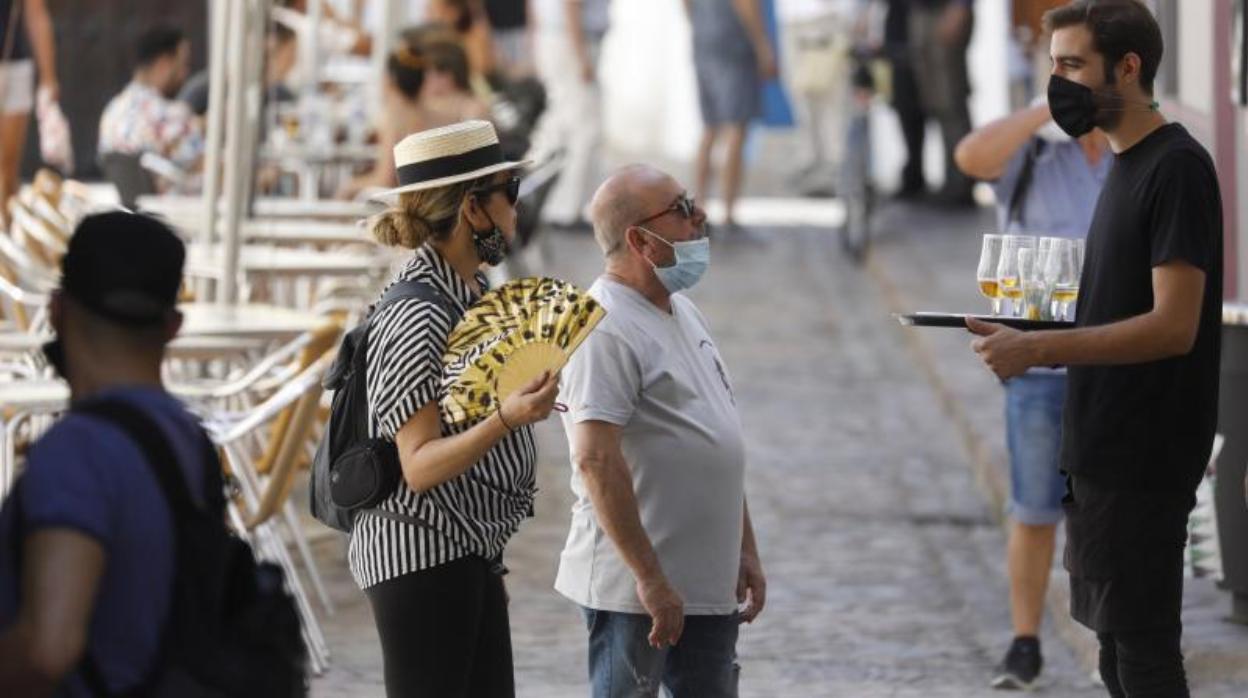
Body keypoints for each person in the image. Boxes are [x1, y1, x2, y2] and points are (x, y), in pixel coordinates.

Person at [967, 2, 1223, 695]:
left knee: (1142, 659)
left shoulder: (1176, 169)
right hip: (1101, 453)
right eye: (1053, 66)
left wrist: (1042, 353)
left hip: (1142, 459)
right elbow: (1114, 303)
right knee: (1115, 656)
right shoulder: (1124, 163)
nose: (1060, 83)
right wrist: (1025, 333)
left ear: (1129, 68)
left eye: (1073, 65)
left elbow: (1175, 325)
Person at [352, 119, 560, 697]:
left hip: (466, 546)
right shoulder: (417, 313)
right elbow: (418, 466)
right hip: (420, 550)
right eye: (508, 193)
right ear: (473, 209)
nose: (517, 211)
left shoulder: (469, 291)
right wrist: (506, 419)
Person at [556, 164, 766, 697]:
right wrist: (648, 579)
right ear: (638, 239)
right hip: (636, 593)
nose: (699, 217)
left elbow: (714, 435)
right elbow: (595, 461)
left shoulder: (682, 310)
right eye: (680, 209)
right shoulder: (602, 326)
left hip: (705, 583)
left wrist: (744, 546)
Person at [0, 213, 214, 696]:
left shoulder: (78, 452)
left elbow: (47, 648)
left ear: (55, 311)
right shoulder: (187, 436)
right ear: (173, 326)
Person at [955, 101, 1112, 690]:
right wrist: (1048, 106)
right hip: (1039, 364)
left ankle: (1110, 642)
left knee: (1110, 512)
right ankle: (1024, 643)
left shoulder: (1137, 151)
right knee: (1035, 508)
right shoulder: (1034, 152)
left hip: (1115, 359)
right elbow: (970, 157)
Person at [338, 38, 490, 199]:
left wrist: (348, 187)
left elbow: (385, 179)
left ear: (389, 80)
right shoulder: (448, 112)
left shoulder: (396, 116)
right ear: (423, 78)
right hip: (450, 201)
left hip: (415, 206)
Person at [687, 0, 777, 232]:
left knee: (710, 129)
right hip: (733, 44)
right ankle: (729, 213)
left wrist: (698, 26)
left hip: (704, 41)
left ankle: (699, 207)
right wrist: (763, 46)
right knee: (736, 129)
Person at [529, 0, 610, 230]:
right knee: (585, 129)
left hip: (560, 39)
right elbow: (570, 6)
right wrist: (581, 58)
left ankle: (548, 202)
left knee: (558, 126)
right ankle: (567, 209)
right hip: (572, 42)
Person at [97, 24, 202, 174]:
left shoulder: (111, 112)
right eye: (182, 65)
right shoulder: (171, 116)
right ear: (163, 65)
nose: (185, 74)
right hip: (171, 197)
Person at [908, 0, 974, 207]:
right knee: (935, 103)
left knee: (950, 101)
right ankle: (951, 182)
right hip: (922, 11)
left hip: (946, 11)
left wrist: (960, 6)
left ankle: (961, 184)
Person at [0, 0, 58, 220]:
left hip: (13, 64)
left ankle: (7, 235)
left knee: (8, 164)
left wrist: (48, 78)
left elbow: (36, 13)